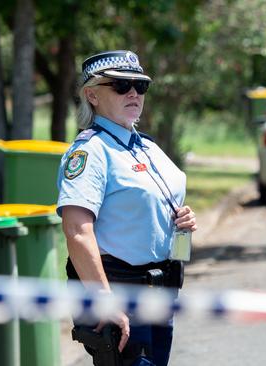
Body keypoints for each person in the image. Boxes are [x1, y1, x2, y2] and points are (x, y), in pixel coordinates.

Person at [56, 50, 197, 366]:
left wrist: (183, 217)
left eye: (140, 85)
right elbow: (77, 231)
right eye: (120, 85)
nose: (133, 93)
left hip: (160, 290)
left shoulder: (146, 146)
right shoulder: (90, 152)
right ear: (92, 95)